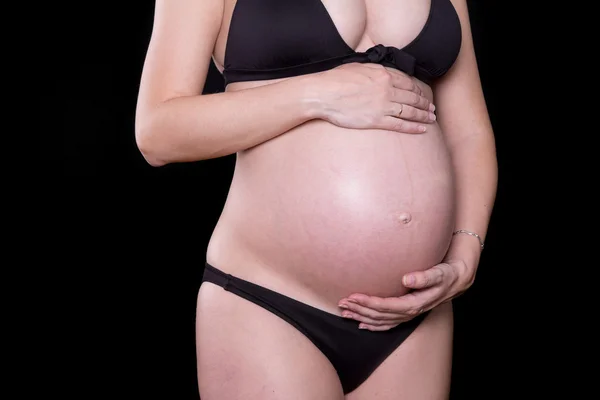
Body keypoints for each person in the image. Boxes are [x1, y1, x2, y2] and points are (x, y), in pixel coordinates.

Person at [135, 0, 498, 398]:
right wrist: (317, 94)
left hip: (413, 314)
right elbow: (158, 131)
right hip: (271, 302)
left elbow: (469, 132)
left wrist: (466, 252)